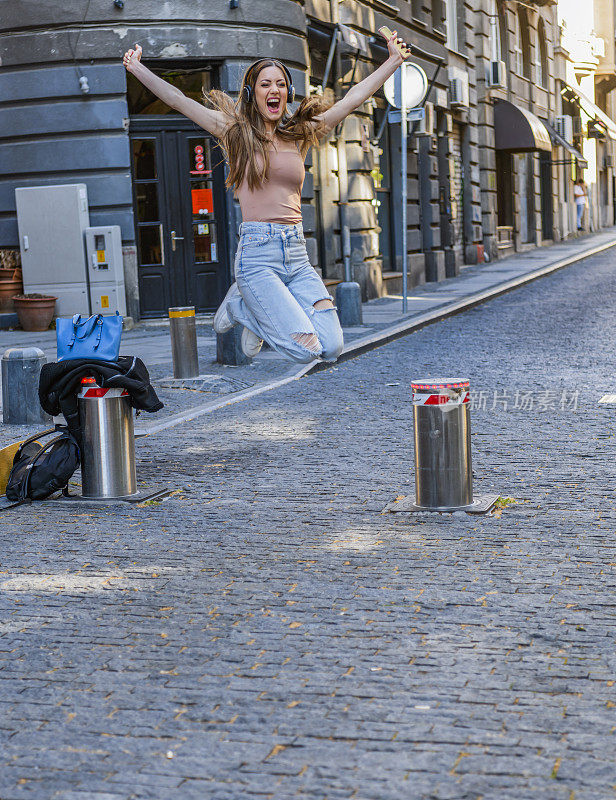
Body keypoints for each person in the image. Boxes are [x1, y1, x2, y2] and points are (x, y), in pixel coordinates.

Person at [123, 31, 411, 362]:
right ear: (252, 93)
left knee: (332, 347)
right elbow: (179, 101)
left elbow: (352, 99)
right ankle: (245, 305)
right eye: (265, 84)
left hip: (296, 252)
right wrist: (137, 68)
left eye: (280, 84)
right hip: (258, 254)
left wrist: (392, 61)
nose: (274, 90)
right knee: (306, 351)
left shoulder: (300, 134)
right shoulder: (235, 132)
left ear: (288, 93)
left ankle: (248, 307)